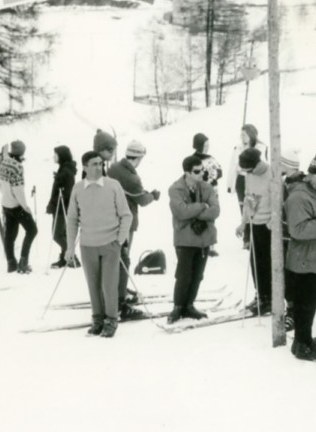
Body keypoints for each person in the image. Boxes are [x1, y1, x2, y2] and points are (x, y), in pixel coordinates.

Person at [65, 151, 133, 337]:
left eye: (100, 163)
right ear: (85, 167)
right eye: (94, 164)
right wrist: (70, 247)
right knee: (93, 285)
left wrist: (119, 240)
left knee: (109, 285)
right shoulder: (78, 189)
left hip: (110, 244)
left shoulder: (113, 186)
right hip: (88, 245)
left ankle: (111, 320)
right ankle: (97, 320)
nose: (99, 167)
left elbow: (126, 215)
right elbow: (71, 219)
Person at [283, 149, 316, 360]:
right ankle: (301, 344)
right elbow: (298, 230)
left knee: (312, 302)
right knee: (305, 305)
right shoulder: (299, 196)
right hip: (305, 260)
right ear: (313, 174)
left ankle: (304, 340)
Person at [107, 139, 160, 320]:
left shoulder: (113, 168)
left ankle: (117, 290)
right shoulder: (131, 177)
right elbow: (142, 200)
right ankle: (120, 301)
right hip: (126, 221)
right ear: (138, 157)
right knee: (124, 259)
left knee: (116, 258)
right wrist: (153, 195)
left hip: (110, 219)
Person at [168, 153, 220, 322]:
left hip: (204, 238)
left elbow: (215, 210)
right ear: (187, 172)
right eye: (197, 171)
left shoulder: (207, 187)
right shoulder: (175, 188)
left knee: (198, 275)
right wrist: (202, 206)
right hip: (184, 239)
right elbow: (180, 212)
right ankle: (178, 307)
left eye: (202, 170)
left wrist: (194, 211)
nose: (201, 174)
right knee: (183, 275)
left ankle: (189, 305)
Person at [240, 148, 277, 314]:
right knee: (255, 262)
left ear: (257, 164)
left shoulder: (271, 174)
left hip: (269, 225)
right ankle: (260, 295)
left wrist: (271, 221)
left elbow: (279, 201)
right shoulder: (249, 176)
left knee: (267, 263)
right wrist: (244, 222)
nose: (248, 173)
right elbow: (249, 199)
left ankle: (270, 298)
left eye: (249, 169)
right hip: (255, 223)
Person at [0, 140, 39, 274]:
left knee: (10, 235)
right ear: (22, 152)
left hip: (5, 204)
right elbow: (18, 190)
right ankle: (23, 264)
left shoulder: (4, 162)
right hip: (16, 205)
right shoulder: (17, 166)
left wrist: (6, 194)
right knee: (32, 230)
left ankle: (11, 263)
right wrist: (25, 207)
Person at [46, 145, 77, 267]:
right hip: (60, 206)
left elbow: (68, 191)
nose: (54, 157)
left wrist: (57, 202)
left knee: (57, 234)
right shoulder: (64, 169)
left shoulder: (66, 172)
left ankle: (70, 256)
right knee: (62, 234)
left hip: (62, 207)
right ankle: (67, 257)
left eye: (56, 154)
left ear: (61, 156)